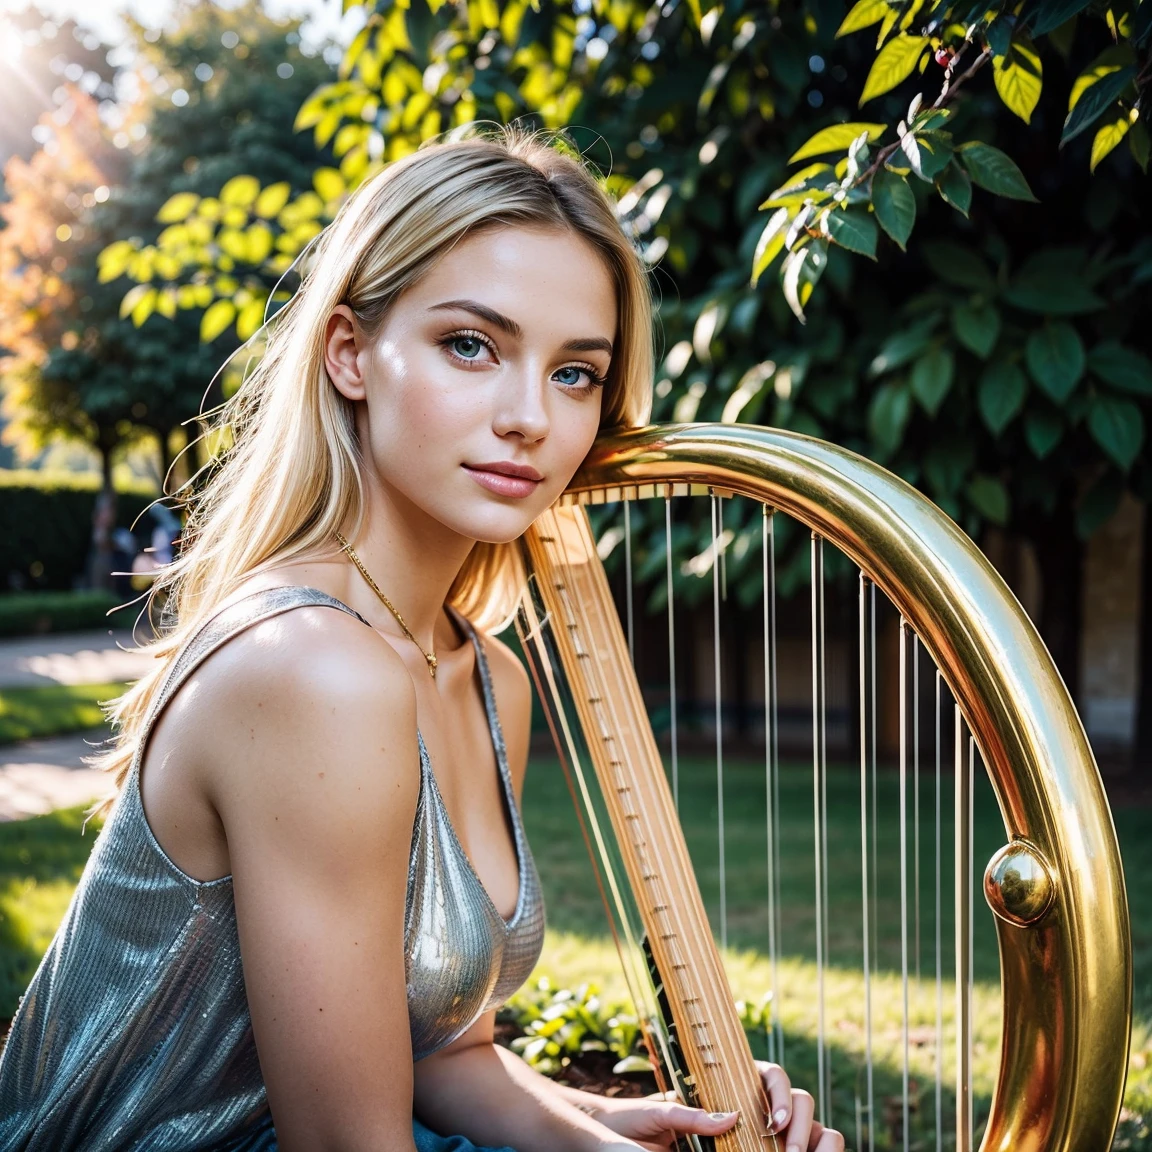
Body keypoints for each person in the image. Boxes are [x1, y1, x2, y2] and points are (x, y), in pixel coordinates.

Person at [0, 124, 843, 1152]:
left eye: (576, 373)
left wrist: (623, 1133)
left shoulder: (491, 675)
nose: (530, 416)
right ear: (350, 354)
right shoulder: (315, 672)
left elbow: (444, 1054)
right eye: (471, 346)